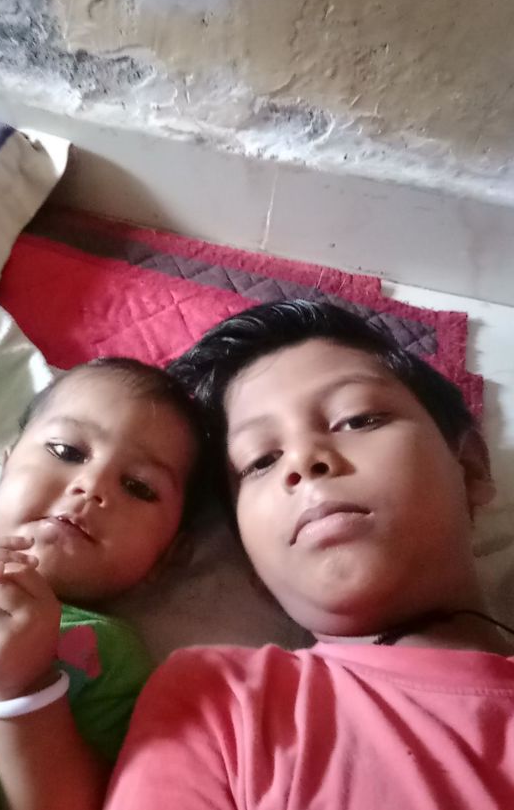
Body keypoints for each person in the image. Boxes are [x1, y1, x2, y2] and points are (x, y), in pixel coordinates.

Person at [105, 299, 514, 810]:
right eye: (261, 461)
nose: (302, 460)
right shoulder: (222, 702)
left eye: (357, 419)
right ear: (251, 560)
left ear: (470, 467)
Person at [0, 357, 203, 810]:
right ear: (4, 470)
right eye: (67, 452)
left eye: (138, 486)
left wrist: (24, 688)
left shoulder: (108, 657)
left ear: (165, 557)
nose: (91, 485)